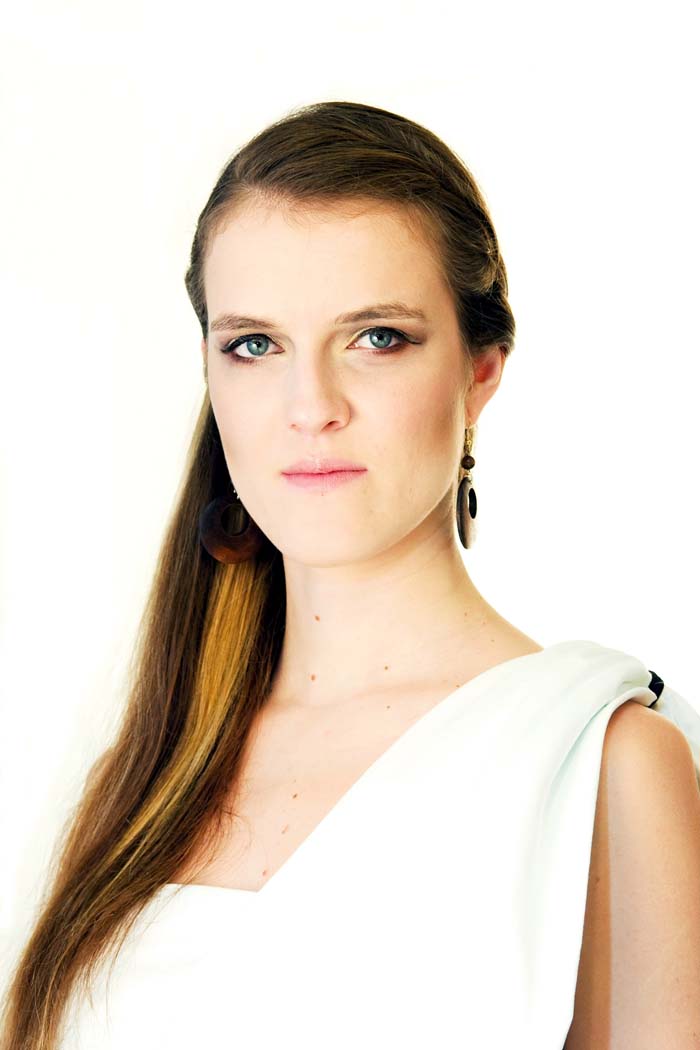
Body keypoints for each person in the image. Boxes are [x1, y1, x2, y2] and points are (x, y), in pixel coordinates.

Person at [3, 100, 700, 1050]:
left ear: (481, 370)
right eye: (255, 345)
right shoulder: (136, 778)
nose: (311, 406)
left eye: (376, 337)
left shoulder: (601, 763)